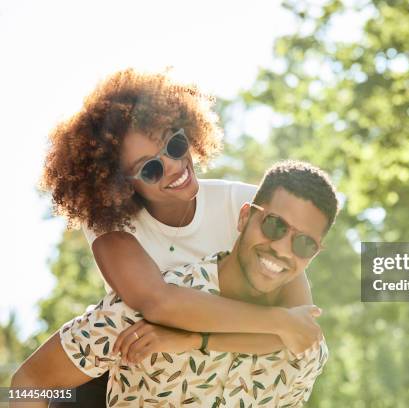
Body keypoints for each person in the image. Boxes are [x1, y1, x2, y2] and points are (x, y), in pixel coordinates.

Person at [13, 69, 321, 405]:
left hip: (204, 375)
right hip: (125, 373)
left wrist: (194, 340)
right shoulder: (113, 230)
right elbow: (158, 303)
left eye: (175, 145)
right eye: (150, 168)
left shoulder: (250, 210)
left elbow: (300, 331)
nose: (174, 166)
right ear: (119, 185)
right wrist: (276, 320)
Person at [11, 161, 338, 407]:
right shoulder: (138, 316)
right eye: (274, 225)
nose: (282, 248)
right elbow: (31, 382)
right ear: (244, 218)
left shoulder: (305, 358)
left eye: (305, 244)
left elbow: (298, 333)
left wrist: (196, 340)